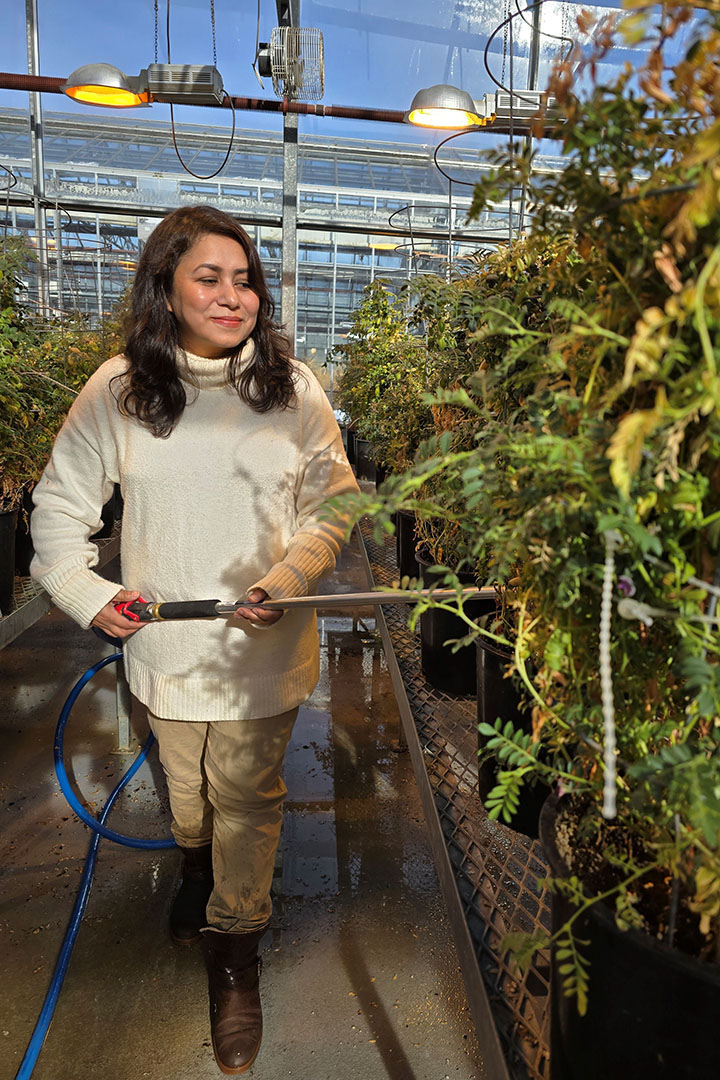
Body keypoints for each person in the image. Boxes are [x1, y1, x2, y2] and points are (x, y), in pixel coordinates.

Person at [30, 205, 359, 1076]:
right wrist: (87, 593)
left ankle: (235, 950)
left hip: (261, 652)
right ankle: (192, 867)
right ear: (166, 291)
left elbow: (337, 504)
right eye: (208, 277)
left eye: (244, 277)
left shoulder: (295, 389)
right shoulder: (120, 390)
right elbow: (60, 510)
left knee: (247, 796)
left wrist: (287, 581)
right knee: (187, 791)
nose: (232, 294)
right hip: (165, 652)